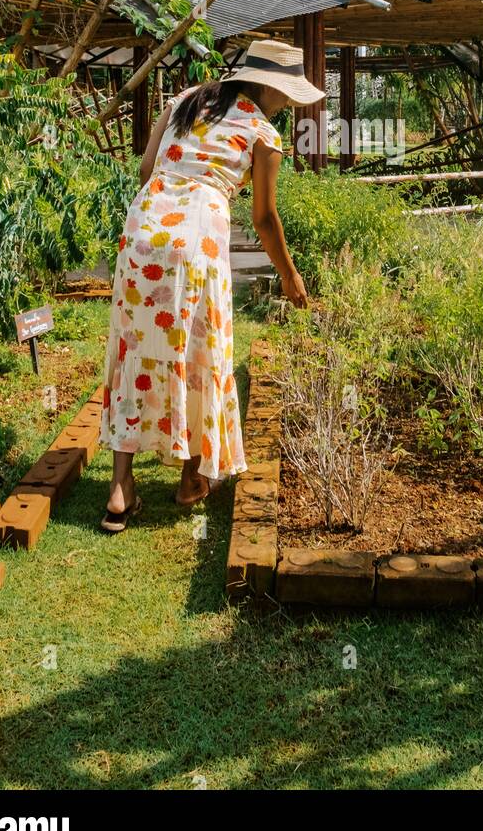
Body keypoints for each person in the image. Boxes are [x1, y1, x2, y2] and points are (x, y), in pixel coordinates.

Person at [98, 39, 324, 533]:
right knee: (199, 352)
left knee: (136, 349)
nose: (288, 103)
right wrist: (290, 275)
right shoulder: (263, 135)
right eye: (287, 93)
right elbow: (263, 217)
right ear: (268, 87)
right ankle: (191, 478)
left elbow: (145, 168)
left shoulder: (186, 98)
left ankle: (119, 490)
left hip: (142, 231)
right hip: (197, 237)